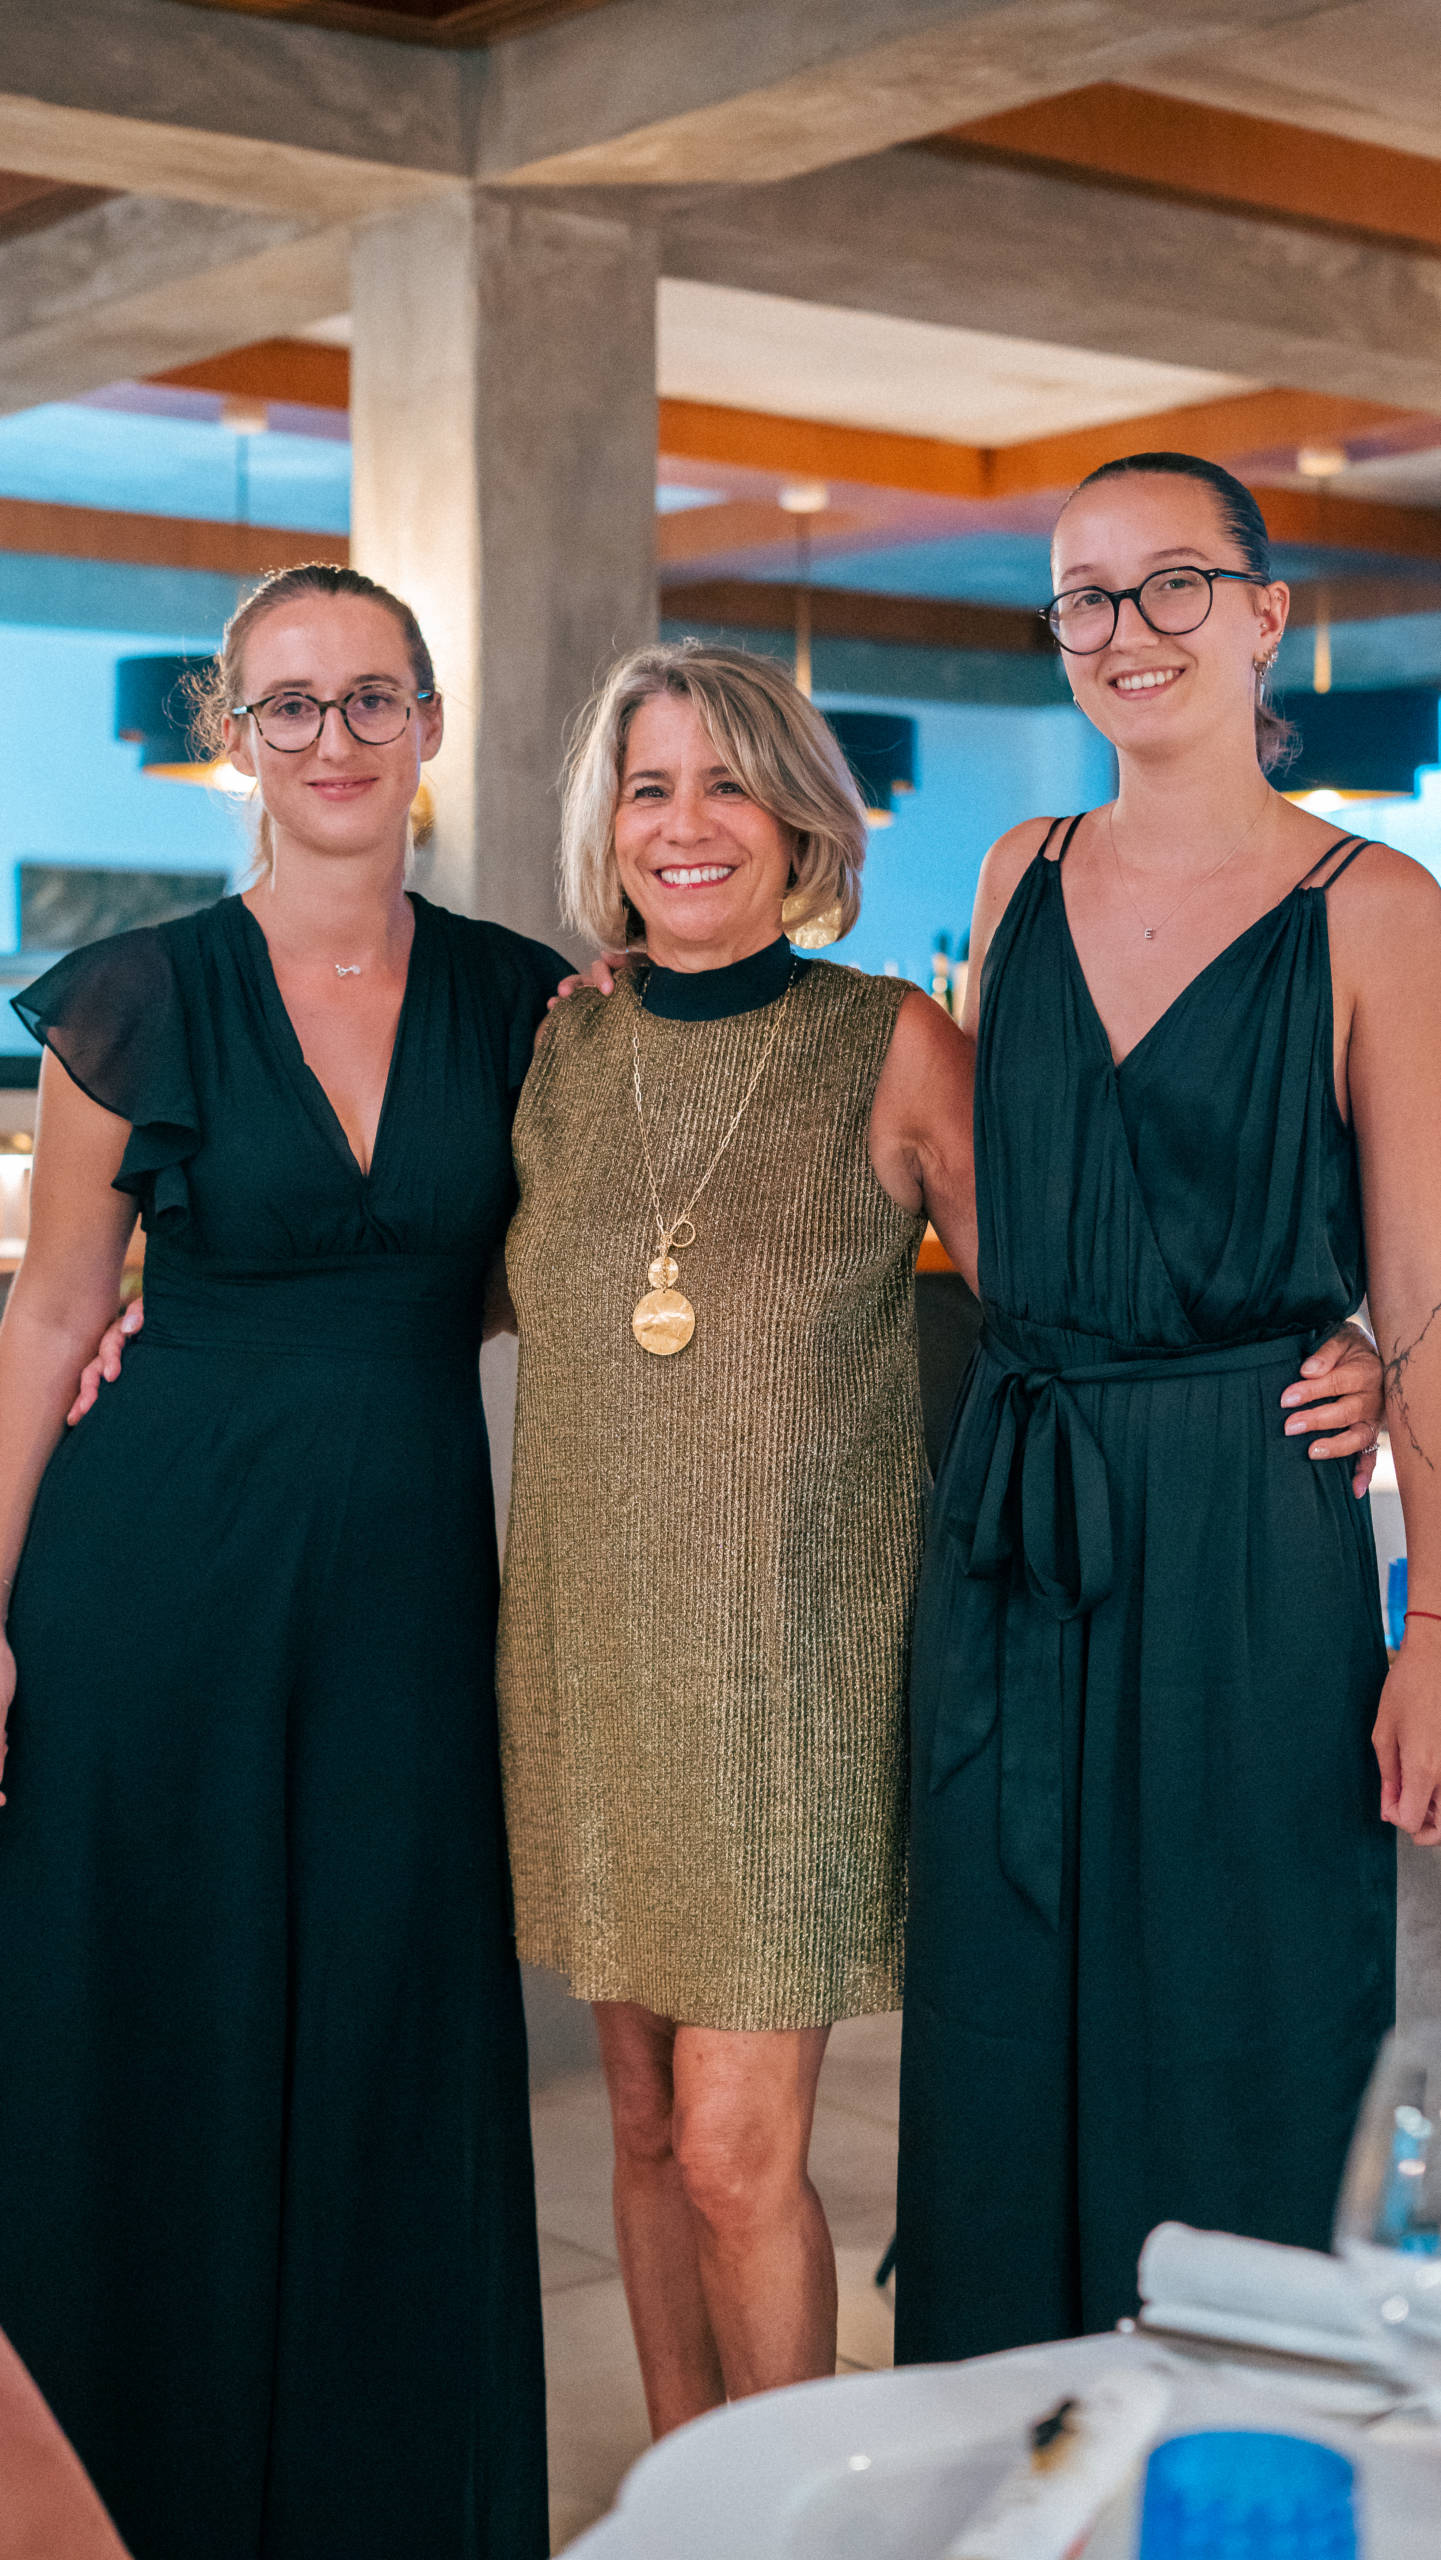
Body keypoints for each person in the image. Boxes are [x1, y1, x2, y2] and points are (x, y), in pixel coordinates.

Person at [0, 564, 561, 2560]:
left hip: (405, 1570)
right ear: (233, 737)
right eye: (290, 705)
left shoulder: (526, 999)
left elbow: (565, 1274)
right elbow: (54, 1313)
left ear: (428, 723)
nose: (335, 739)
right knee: (155, 2022)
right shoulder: (134, 994)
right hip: (155, 1568)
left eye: (371, 698)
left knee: (393, 2022)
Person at [894, 452, 1441, 2368]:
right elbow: (975, 1170)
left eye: (1171, 584)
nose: (1125, 630)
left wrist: (1435, 1626)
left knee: (1240, 2002)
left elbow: (1424, 1297)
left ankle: (1241, 2436)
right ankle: (1009, 2432)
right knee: (1004, 2010)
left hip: (1248, 1521)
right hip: (1020, 1517)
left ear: (1265, 612)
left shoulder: (1376, 909)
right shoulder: (1016, 872)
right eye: (1084, 595)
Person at [495, 640, 976, 2433]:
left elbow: (1068, 1315)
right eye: (648, 787)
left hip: (792, 1691)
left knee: (727, 2152)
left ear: (796, 820)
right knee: (637, 2131)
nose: (684, 823)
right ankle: (678, 2501)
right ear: (607, 829)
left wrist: (1331, 1342)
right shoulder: (561, 1052)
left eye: (726, 783)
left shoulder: (889, 1042)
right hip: (592, 1662)